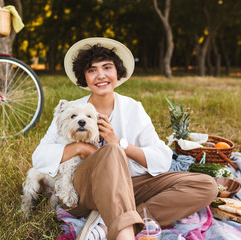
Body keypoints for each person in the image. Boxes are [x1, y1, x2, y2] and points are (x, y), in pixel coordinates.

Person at [32, 38, 218, 240]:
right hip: (85, 192)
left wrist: (120, 143)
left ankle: (107, 224)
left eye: (107, 67)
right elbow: (40, 157)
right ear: (83, 77)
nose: (100, 75)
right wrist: (81, 148)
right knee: (110, 152)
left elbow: (163, 158)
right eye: (92, 70)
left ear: (117, 73)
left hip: (130, 187)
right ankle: (125, 232)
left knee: (206, 185)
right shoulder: (71, 110)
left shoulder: (133, 108)